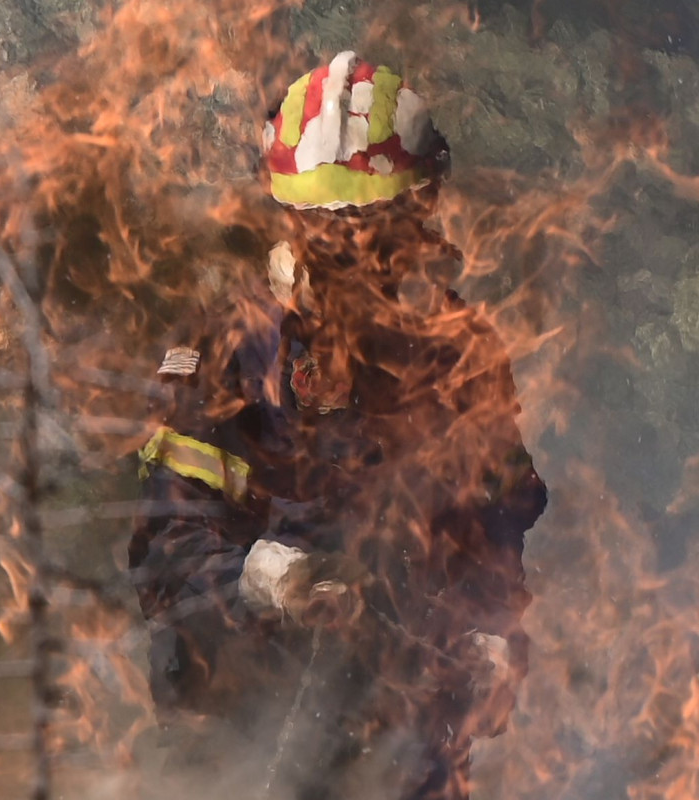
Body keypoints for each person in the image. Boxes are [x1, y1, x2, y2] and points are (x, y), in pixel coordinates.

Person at [129, 52, 547, 800]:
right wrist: (269, 577)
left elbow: (494, 522)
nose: (359, 250)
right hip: (243, 714)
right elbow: (167, 542)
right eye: (334, 227)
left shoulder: (457, 348)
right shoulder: (234, 346)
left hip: (402, 717)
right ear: (294, 219)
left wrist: (490, 632)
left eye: (379, 224)